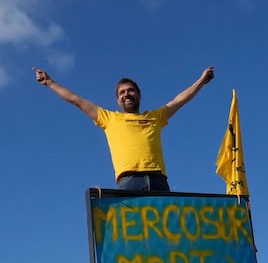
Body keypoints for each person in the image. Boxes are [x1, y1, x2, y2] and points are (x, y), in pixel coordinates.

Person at [33, 65, 215, 191]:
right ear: (117, 100)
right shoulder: (109, 118)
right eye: (122, 92)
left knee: (163, 235)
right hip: (129, 181)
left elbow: (179, 100)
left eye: (130, 90)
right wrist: (50, 82)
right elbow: (76, 100)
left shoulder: (155, 117)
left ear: (139, 95)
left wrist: (201, 81)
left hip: (158, 180)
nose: (126, 94)